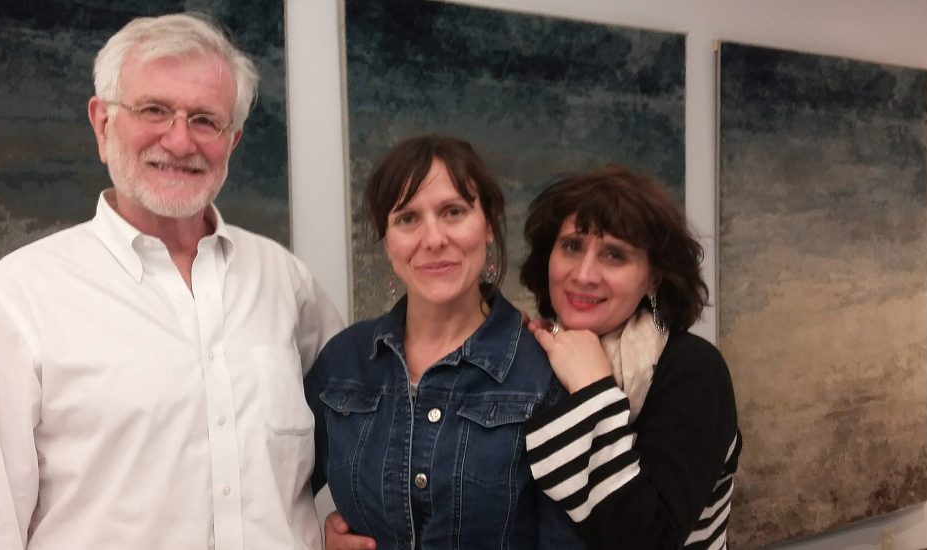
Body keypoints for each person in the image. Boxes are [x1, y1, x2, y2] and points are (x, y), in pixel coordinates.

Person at [0, 13, 343, 550]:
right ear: (103, 123)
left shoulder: (286, 283)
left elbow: (357, 434)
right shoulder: (22, 294)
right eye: (154, 110)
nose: (180, 141)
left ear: (234, 139)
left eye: (205, 119)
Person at [305, 135, 584, 549]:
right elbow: (268, 502)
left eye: (453, 212)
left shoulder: (543, 372)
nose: (433, 239)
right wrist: (316, 541)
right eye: (407, 219)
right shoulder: (344, 362)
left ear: (489, 224)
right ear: (387, 240)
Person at [519, 165, 741, 549]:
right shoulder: (527, 353)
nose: (585, 274)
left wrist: (593, 390)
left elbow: (648, 541)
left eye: (614, 255)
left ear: (653, 278)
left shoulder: (693, 371)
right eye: (572, 246)